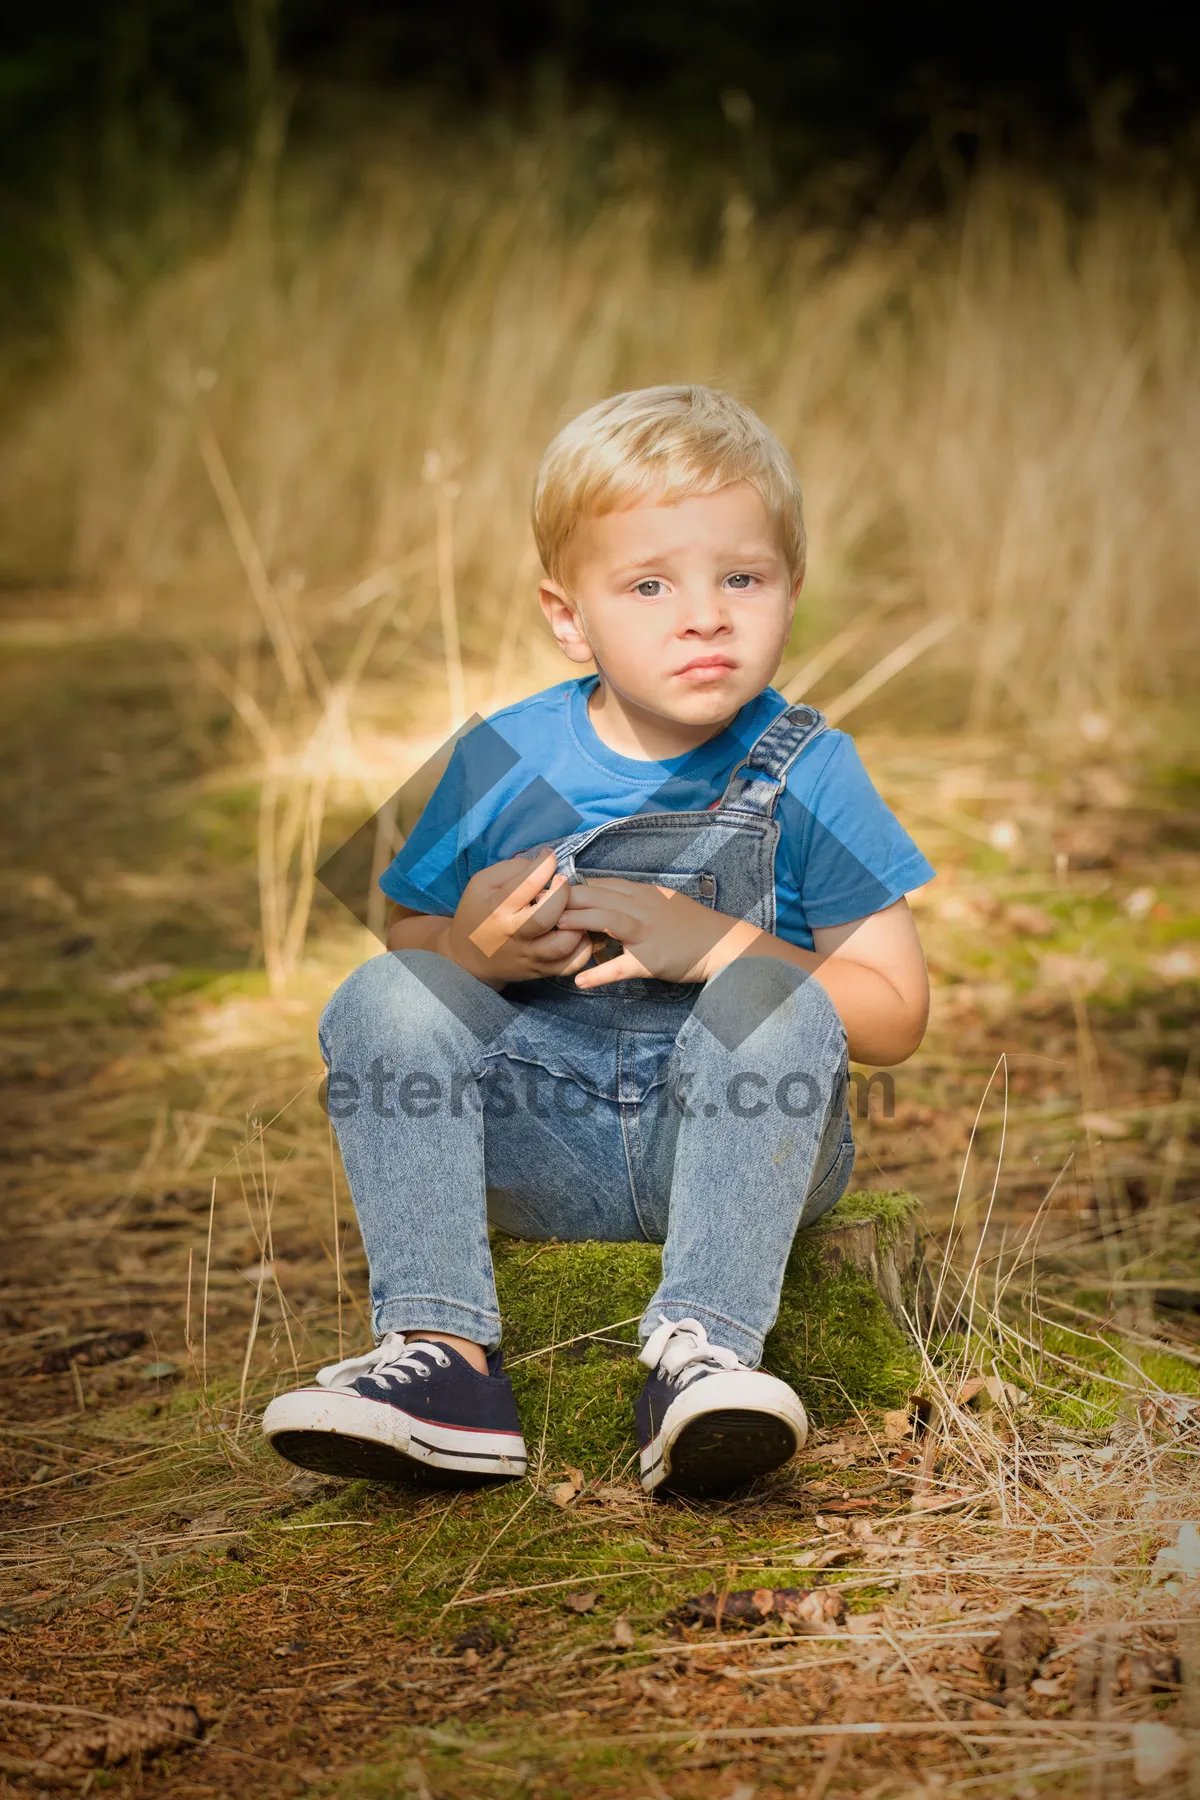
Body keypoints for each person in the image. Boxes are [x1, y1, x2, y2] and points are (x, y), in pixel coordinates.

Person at [263, 385, 934, 1498]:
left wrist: (719, 944)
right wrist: (478, 948)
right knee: (384, 995)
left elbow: (895, 1016)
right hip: (540, 1136)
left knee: (779, 1004)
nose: (705, 615)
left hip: (730, 1146)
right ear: (567, 614)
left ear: (791, 593)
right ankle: (444, 1364)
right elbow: (403, 935)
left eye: (742, 579)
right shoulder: (497, 752)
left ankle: (703, 1359)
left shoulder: (814, 766)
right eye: (650, 584)